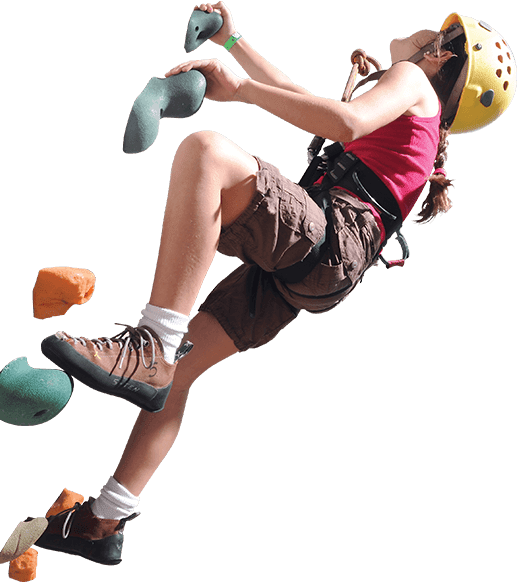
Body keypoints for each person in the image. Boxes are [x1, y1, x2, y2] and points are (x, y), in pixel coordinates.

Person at [35, 3, 515, 565]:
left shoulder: (411, 79)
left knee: (206, 152)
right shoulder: (421, 121)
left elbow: (343, 122)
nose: (421, 29)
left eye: (434, 30)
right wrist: (234, 43)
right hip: (328, 271)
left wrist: (240, 91)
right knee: (182, 374)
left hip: (331, 236)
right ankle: (104, 521)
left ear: (439, 54)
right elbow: (303, 100)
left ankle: (151, 345)